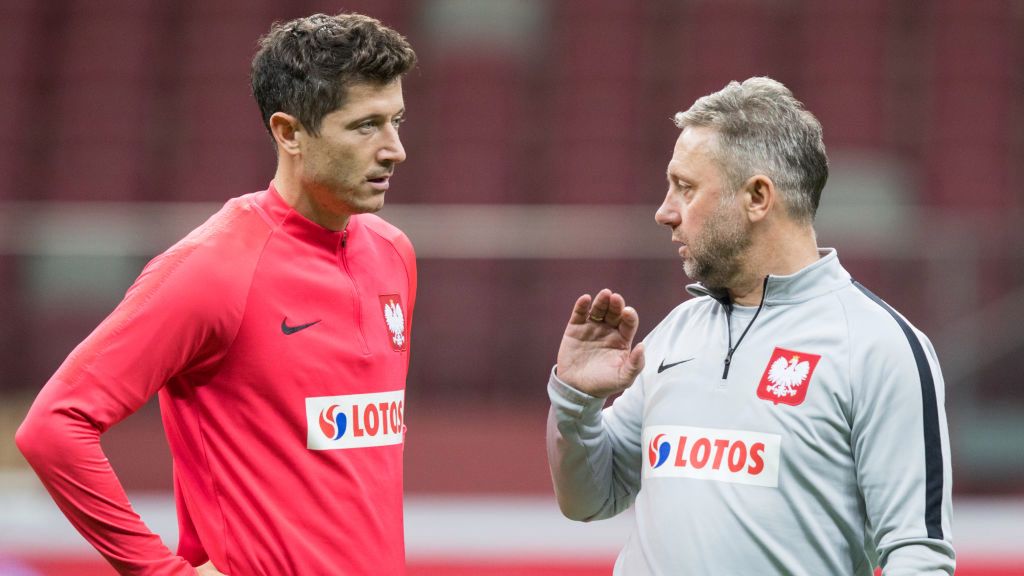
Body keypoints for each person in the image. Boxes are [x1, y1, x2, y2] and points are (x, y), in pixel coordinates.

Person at [17, 13, 417, 576]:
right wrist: (159, 571)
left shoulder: (394, 253)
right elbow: (54, 428)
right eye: (365, 126)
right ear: (289, 132)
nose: (394, 149)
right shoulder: (211, 269)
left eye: (396, 120)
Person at [546, 77, 955, 575]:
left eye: (686, 187)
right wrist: (576, 403)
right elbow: (590, 498)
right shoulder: (677, 333)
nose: (664, 212)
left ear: (758, 196)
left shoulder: (878, 346)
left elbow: (917, 554)